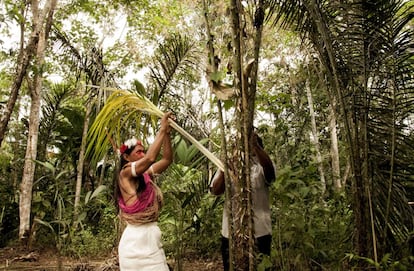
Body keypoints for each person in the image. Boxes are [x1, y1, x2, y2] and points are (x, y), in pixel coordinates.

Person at [115, 112, 173, 271]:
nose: (143, 154)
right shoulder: (125, 173)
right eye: (138, 152)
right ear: (126, 157)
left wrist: (166, 134)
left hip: (152, 241)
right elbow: (150, 159)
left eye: (143, 150)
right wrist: (161, 129)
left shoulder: (146, 174)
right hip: (134, 244)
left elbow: (167, 159)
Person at [210, 132, 275, 271]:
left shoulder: (262, 165)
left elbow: (270, 174)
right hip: (231, 233)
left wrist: (255, 147)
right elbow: (216, 190)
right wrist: (225, 169)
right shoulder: (230, 166)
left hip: (260, 232)